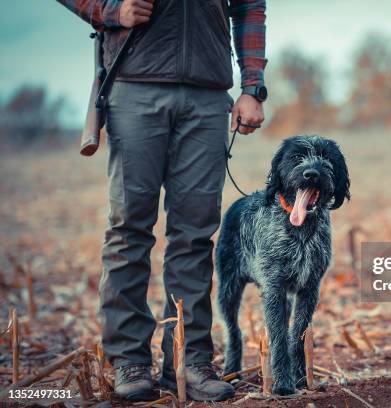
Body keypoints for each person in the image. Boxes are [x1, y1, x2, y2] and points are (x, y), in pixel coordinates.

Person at [57, 0, 268, 402]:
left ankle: (189, 361)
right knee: (129, 228)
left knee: (196, 234)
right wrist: (108, 10)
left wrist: (251, 87)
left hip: (207, 96)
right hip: (134, 86)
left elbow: (249, 7)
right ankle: (128, 361)